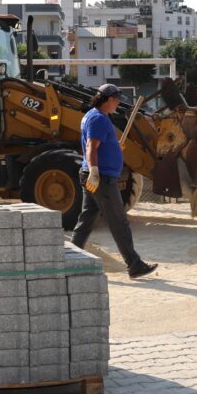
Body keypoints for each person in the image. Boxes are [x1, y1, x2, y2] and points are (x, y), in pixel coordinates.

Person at [70, 84, 157, 279]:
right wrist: (94, 171)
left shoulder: (93, 115)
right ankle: (134, 265)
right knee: (119, 222)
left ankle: (69, 260)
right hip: (101, 178)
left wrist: (114, 147)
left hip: (94, 175)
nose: (118, 103)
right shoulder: (98, 119)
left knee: (87, 220)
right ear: (107, 99)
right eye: (116, 99)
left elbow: (98, 145)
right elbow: (91, 146)